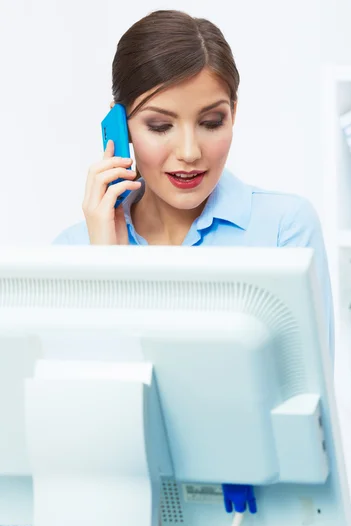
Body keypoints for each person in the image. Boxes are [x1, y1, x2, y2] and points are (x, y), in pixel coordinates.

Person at [53, 8, 334, 360]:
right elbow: (86, 398)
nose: (189, 153)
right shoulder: (74, 250)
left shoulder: (285, 229)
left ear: (234, 113)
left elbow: (308, 397)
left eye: (212, 122)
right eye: (160, 126)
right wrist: (108, 267)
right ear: (119, 126)